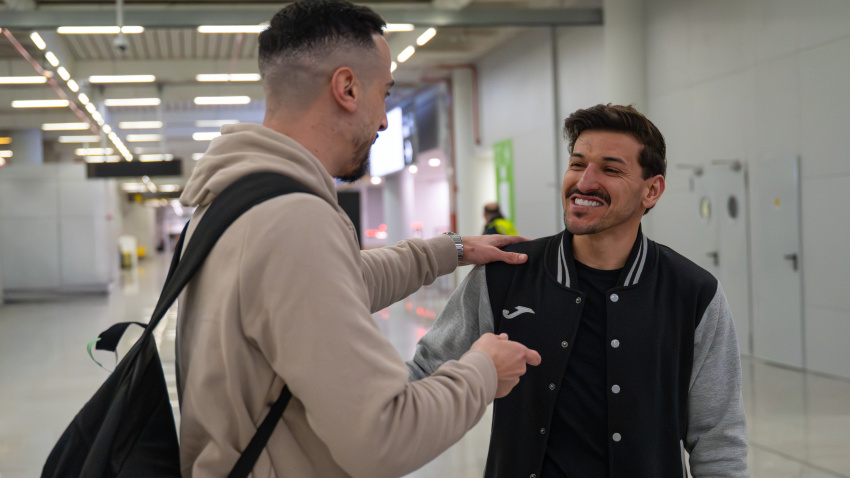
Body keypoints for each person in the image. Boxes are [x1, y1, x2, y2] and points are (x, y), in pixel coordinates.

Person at [175, 1, 541, 476]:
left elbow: (334, 284)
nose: (385, 120)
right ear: (347, 88)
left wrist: (449, 250)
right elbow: (382, 436)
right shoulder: (294, 222)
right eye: (384, 94)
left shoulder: (232, 200)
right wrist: (483, 369)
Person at [408, 104, 749, 477]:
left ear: (651, 191)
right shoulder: (505, 275)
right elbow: (425, 374)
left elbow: (718, 438)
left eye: (610, 169)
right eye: (577, 163)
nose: (584, 182)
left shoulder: (693, 294)